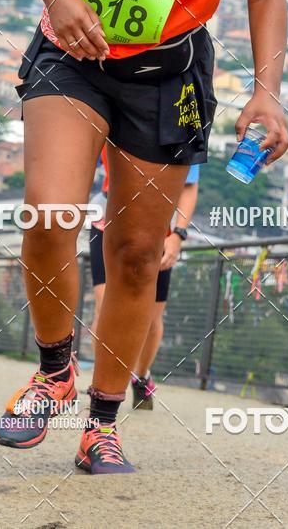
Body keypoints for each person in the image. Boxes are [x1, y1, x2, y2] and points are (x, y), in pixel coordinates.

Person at [0, 0, 288, 474]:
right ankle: (55, 373)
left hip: (169, 74)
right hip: (77, 53)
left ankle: (101, 420)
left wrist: (268, 93)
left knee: (134, 257)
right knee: (52, 208)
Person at [89, 149, 199, 410]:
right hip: (107, 216)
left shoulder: (180, 119)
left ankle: (141, 375)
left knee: (150, 315)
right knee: (105, 304)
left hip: (158, 222)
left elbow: (189, 185)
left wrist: (178, 235)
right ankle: (104, 383)